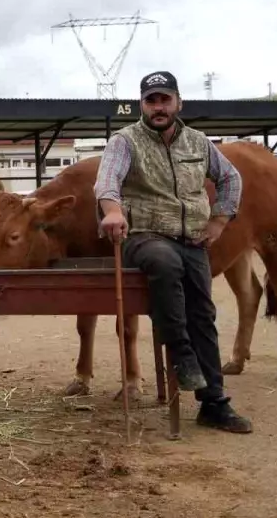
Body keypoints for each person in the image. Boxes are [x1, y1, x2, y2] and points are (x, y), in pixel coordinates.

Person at [94, 70, 252, 434]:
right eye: (151, 101)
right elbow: (107, 182)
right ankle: (181, 357)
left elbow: (231, 178)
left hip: (193, 240)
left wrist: (220, 220)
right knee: (164, 263)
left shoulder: (198, 143)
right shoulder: (125, 141)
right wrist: (113, 211)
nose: (158, 107)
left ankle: (214, 403)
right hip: (145, 238)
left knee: (203, 315)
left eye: (165, 99)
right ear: (142, 105)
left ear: (178, 102)